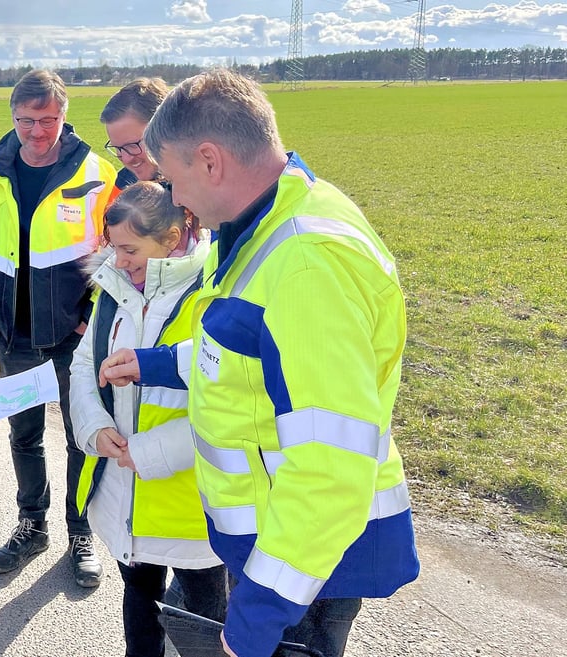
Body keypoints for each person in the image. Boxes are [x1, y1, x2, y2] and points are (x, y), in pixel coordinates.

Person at [98, 68, 420, 657]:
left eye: (172, 179)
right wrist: (156, 364)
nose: (174, 199)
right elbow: (254, 355)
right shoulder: (266, 222)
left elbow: (327, 468)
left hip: (301, 573)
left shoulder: (307, 265)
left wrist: (255, 621)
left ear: (210, 161)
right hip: (277, 545)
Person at [0, 69, 117, 587]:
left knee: (80, 436)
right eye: (26, 121)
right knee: (25, 435)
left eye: (48, 120)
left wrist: (90, 318)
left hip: (73, 338)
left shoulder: (97, 174)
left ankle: (81, 531)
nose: (37, 131)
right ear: (13, 117)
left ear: (64, 115)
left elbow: (117, 254)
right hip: (14, 337)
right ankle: (32, 524)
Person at [68, 181, 226, 657]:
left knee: (204, 621)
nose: (118, 261)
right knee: (139, 602)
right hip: (124, 495)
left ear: (172, 239)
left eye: (130, 249)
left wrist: (148, 452)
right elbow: (84, 363)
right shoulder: (114, 288)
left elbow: (228, 403)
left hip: (193, 508)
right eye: (113, 247)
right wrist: (93, 427)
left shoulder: (212, 294)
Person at [100, 77, 170, 201]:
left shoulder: (202, 189)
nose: (126, 159)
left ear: (164, 129)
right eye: (118, 149)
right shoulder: (119, 190)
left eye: (133, 145)